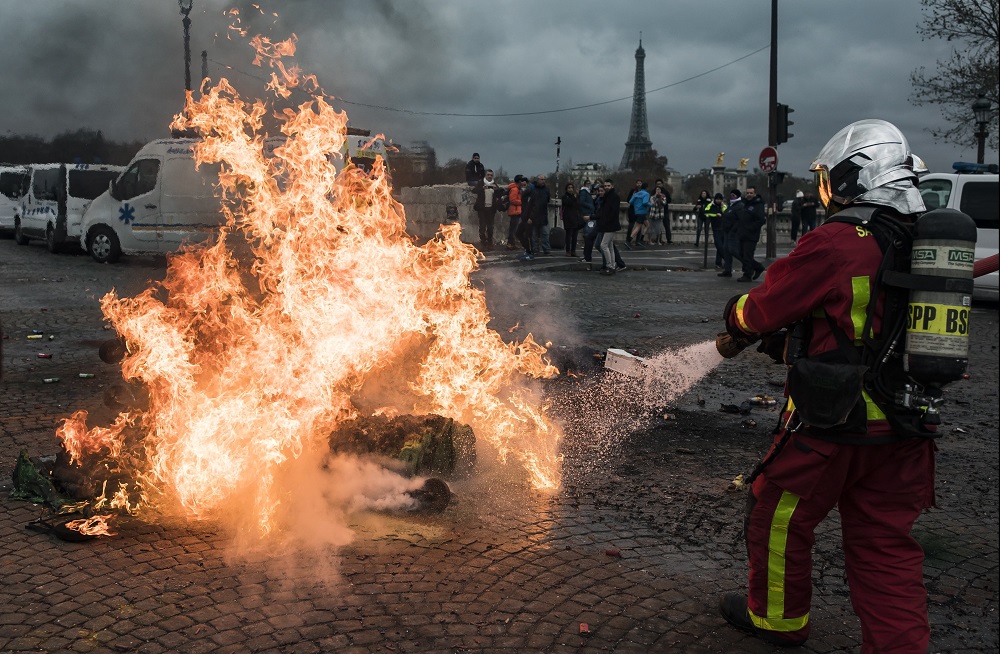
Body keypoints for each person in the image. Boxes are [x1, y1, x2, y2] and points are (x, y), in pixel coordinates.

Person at [717, 119, 934, 652]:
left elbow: (761, 309)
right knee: (886, 548)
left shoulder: (839, 241)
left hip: (836, 423)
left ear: (851, 178)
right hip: (907, 423)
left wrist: (737, 317)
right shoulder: (927, 242)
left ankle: (777, 620)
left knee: (777, 514)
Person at [735, 185, 766, 282]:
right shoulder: (745, 203)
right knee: (741, 254)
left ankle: (747, 274)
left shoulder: (758, 205)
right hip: (742, 233)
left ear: (755, 194)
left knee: (747, 255)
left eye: (751, 193)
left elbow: (761, 220)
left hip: (751, 235)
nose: (749, 195)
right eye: (747, 193)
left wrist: (750, 228)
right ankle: (758, 267)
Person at [595, 179, 625, 275]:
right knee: (609, 246)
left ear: (612, 186)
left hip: (609, 225)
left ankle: (609, 265)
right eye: (605, 186)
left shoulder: (613, 197)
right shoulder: (609, 196)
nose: (606, 187)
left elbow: (611, 212)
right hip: (610, 224)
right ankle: (612, 265)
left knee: (603, 245)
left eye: (608, 185)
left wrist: (605, 221)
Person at [472, 168, 501, 250]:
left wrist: (496, 190)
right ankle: (483, 242)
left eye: (491, 175)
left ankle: (490, 243)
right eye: (488, 175)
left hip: (491, 209)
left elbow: (499, 195)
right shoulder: (481, 183)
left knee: (490, 228)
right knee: (482, 228)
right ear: (485, 175)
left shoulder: (494, 184)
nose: (489, 176)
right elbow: (474, 191)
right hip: (482, 209)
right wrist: (482, 188)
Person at [718, 189, 744, 278]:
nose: (731, 196)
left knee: (733, 250)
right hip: (726, 230)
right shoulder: (730, 205)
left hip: (733, 232)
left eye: (733, 195)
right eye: (731, 195)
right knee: (726, 250)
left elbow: (740, 219)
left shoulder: (739, 205)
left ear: (737, 196)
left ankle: (747, 263)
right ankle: (727, 270)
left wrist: (733, 229)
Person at [525, 175, 551, 255]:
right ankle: (535, 249)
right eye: (541, 179)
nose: (543, 181)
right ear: (537, 180)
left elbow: (547, 201)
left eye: (544, 179)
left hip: (543, 216)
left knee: (545, 234)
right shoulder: (533, 190)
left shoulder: (546, 190)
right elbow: (531, 205)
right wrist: (530, 216)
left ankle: (546, 250)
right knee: (534, 235)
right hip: (534, 216)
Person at [704, 192, 728, 269]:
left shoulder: (723, 206)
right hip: (716, 228)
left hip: (723, 228)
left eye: (720, 199)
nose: (718, 201)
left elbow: (726, 214)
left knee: (722, 246)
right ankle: (727, 260)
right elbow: (706, 212)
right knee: (719, 246)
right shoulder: (710, 205)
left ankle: (718, 262)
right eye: (717, 199)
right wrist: (716, 215)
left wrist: (721, 211)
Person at [561, 182, 584, 258]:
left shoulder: (575, 197)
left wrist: (577, 196)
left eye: (571, 188)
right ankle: (568, 250)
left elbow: (578, 205)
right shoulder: (565, 197)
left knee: (575, 236)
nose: (571, 189)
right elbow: (569, 203)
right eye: (569, 188)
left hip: (575, 218)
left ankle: (573, 250)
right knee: (569, 235)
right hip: (568, 218)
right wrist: (574, 197)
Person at [625, 182, 651, 248]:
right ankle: (629, 240)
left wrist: (636, 205)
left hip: (636, 211)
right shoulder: (646, 194)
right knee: (638, 227)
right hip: (642, 212)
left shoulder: (636, 193)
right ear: (647, 188)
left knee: (647, 225)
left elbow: (630, 202)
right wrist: (651, 204)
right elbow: (645, 202)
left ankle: (640, 239)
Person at [504, 175, 525, 250]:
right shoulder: (515, 189)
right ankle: (510, 244)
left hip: (516, 211)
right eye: (522, 181)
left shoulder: (517, 189)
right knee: (513, 229)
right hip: (514, 211)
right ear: (519, 181)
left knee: (514, 228)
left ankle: (512, 243)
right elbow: (512, 200)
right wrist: (522, 202)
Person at [654, 179, 673, 243]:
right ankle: (658, 239)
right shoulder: (654, 191)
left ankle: (669, 239)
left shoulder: (666, 192)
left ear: (662, 184)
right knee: (658, 226)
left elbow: (669, 200)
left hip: (665, 211)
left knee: (667, 225)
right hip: (656, 211)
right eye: (657, 184)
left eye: (660, 184)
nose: (658, 185)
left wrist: (664, 200)